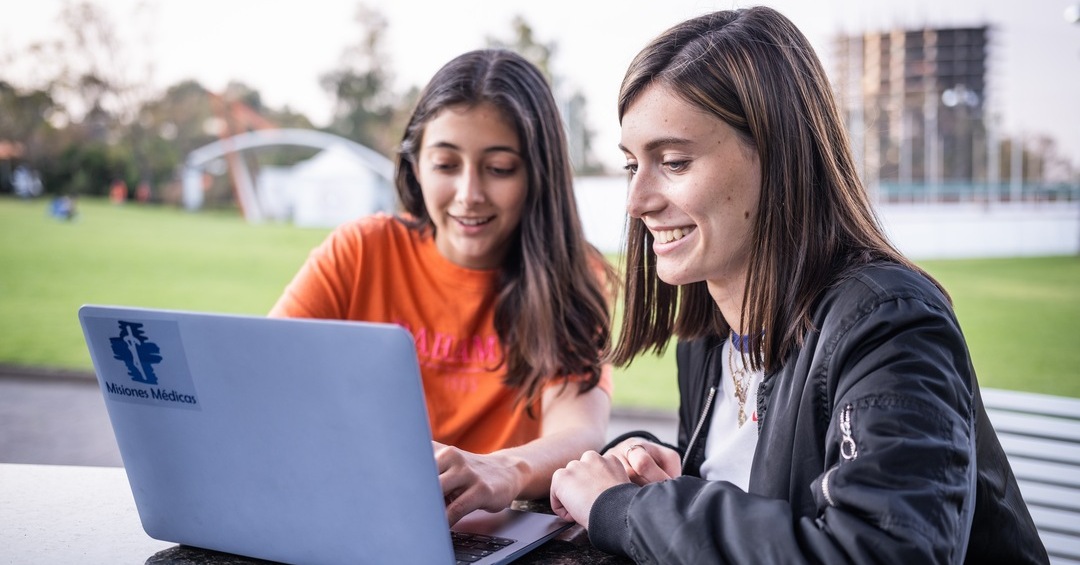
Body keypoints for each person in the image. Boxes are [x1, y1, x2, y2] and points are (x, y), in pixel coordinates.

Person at [548, 7, 1048, 564]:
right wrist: (668, 477)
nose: (637, 202)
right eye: (630, 167)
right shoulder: (710, 334)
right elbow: (768, 500)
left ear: (779, 154)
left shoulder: (891, 325)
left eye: (673, 162)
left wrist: (628, 510)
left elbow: (881, 552)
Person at [271, 49, 614, 526]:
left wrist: (503, 469)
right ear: (416, 166)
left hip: (494, 526)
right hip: (352, 515)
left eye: (499, 168)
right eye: (446, 164)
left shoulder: (573, 274)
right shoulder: (361, 250)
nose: (469, 193)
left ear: (538, 175)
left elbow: (580, 430)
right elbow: (265, 381)